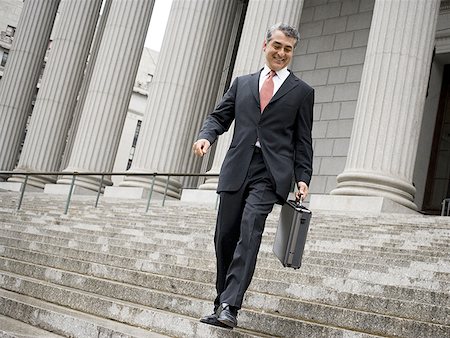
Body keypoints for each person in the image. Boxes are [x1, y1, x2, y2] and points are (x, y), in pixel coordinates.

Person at [192, 23, 314, 329]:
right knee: (224, 237)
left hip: (270, 173)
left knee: (249, 232)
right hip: (236, 167)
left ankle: (231, 306)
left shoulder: (301, 92)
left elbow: (303, 140)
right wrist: (207, 136)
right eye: (277, 46)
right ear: (265, 45)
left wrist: (303, 177)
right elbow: (219, 116)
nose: (281, 53)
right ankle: (221, 300)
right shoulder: (243, 83)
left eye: (288, 49)